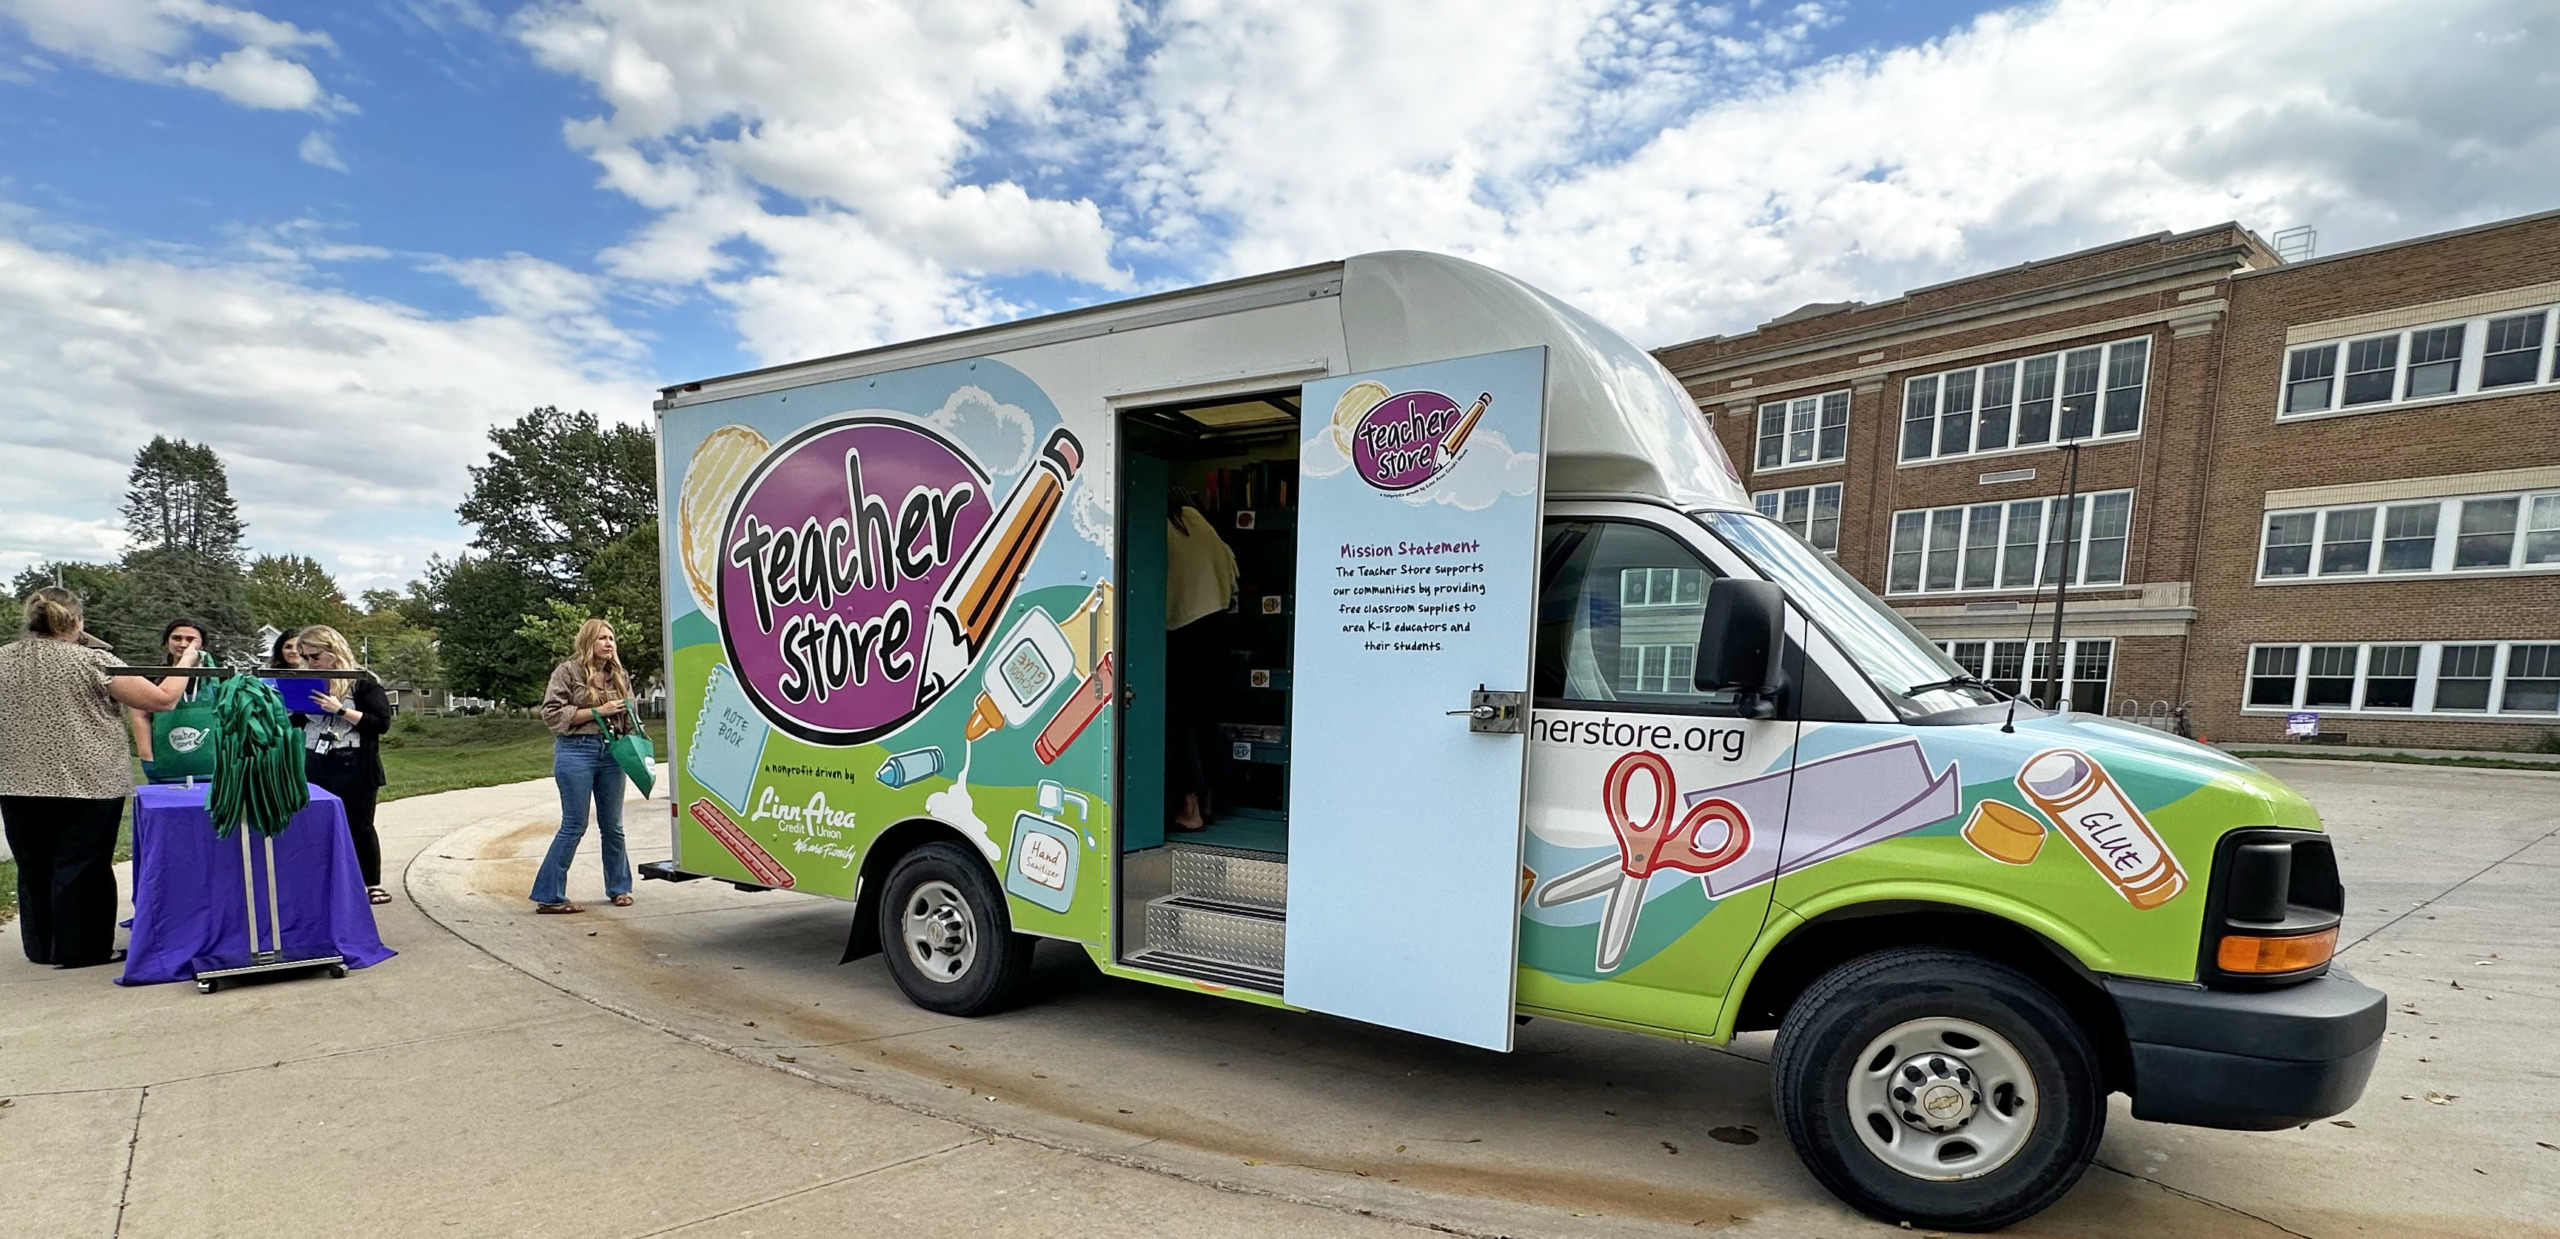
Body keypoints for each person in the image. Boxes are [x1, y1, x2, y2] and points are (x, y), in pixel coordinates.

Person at [0, 587, 197, 967]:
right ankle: (85, 949)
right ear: (76, 621)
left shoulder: (4, 659)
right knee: (83, 867)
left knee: (34, 867)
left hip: (17, 780)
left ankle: (42, 948)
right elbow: (161, 700)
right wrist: (187, 659)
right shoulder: (92, 661)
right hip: (86, 780)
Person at [529, 619, 638, 914]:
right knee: (574, 825)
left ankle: (619, 888)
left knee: (613, 826)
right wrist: (597, 711)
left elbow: (631, 719)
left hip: (613, 751)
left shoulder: (619, 675)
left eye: (612, 638)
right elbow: (551, 715)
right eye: (602, 638)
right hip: (577, 750)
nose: (609, 643)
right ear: (588, 642)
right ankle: (549, 896)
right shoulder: (567, 671)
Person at [294, 625, 395, 906]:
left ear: (333, 651)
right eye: (305, 657)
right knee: (318, 822)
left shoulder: (362, 682)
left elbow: (380, 723)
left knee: (360, 825)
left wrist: (339, 710)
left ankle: (371, 884)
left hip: (355, 763)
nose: (309, 663)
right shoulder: (308, 681)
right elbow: (296, 722)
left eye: (314, 656)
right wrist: (291, 706)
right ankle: (325, 882)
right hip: (317, 759)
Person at [1165, 497, 1238, 832]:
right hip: (1218, 623)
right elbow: (1229, 561)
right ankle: (1209, 803)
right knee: (1207, 715)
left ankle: (1188, 809)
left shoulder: (1158, 527)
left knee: (1180, 722)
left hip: (1182, 628)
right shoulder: (1194, 517)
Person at [128, 617, 208, 783]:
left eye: (191, 639)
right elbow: (140, 716)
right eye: (176, 638)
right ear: (167, 642)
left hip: (209, 765)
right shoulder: (152, 676)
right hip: (164, 765)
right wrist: (146, 756)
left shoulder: (215, 679)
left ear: (202, 645)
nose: (183, 644)